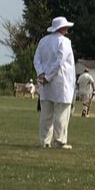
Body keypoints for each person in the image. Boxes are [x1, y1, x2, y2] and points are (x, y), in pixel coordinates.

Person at [33, 16, 77, 149]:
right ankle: (59, 140)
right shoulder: (64, 42)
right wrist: (48, 76)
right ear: (62, 28)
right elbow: (60, 61)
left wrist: (41, 74)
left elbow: (37, 59)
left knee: (46, 114)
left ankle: (44, 141)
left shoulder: (43, 41)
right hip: (61, 82)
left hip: (46, 83)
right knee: (61, 113)